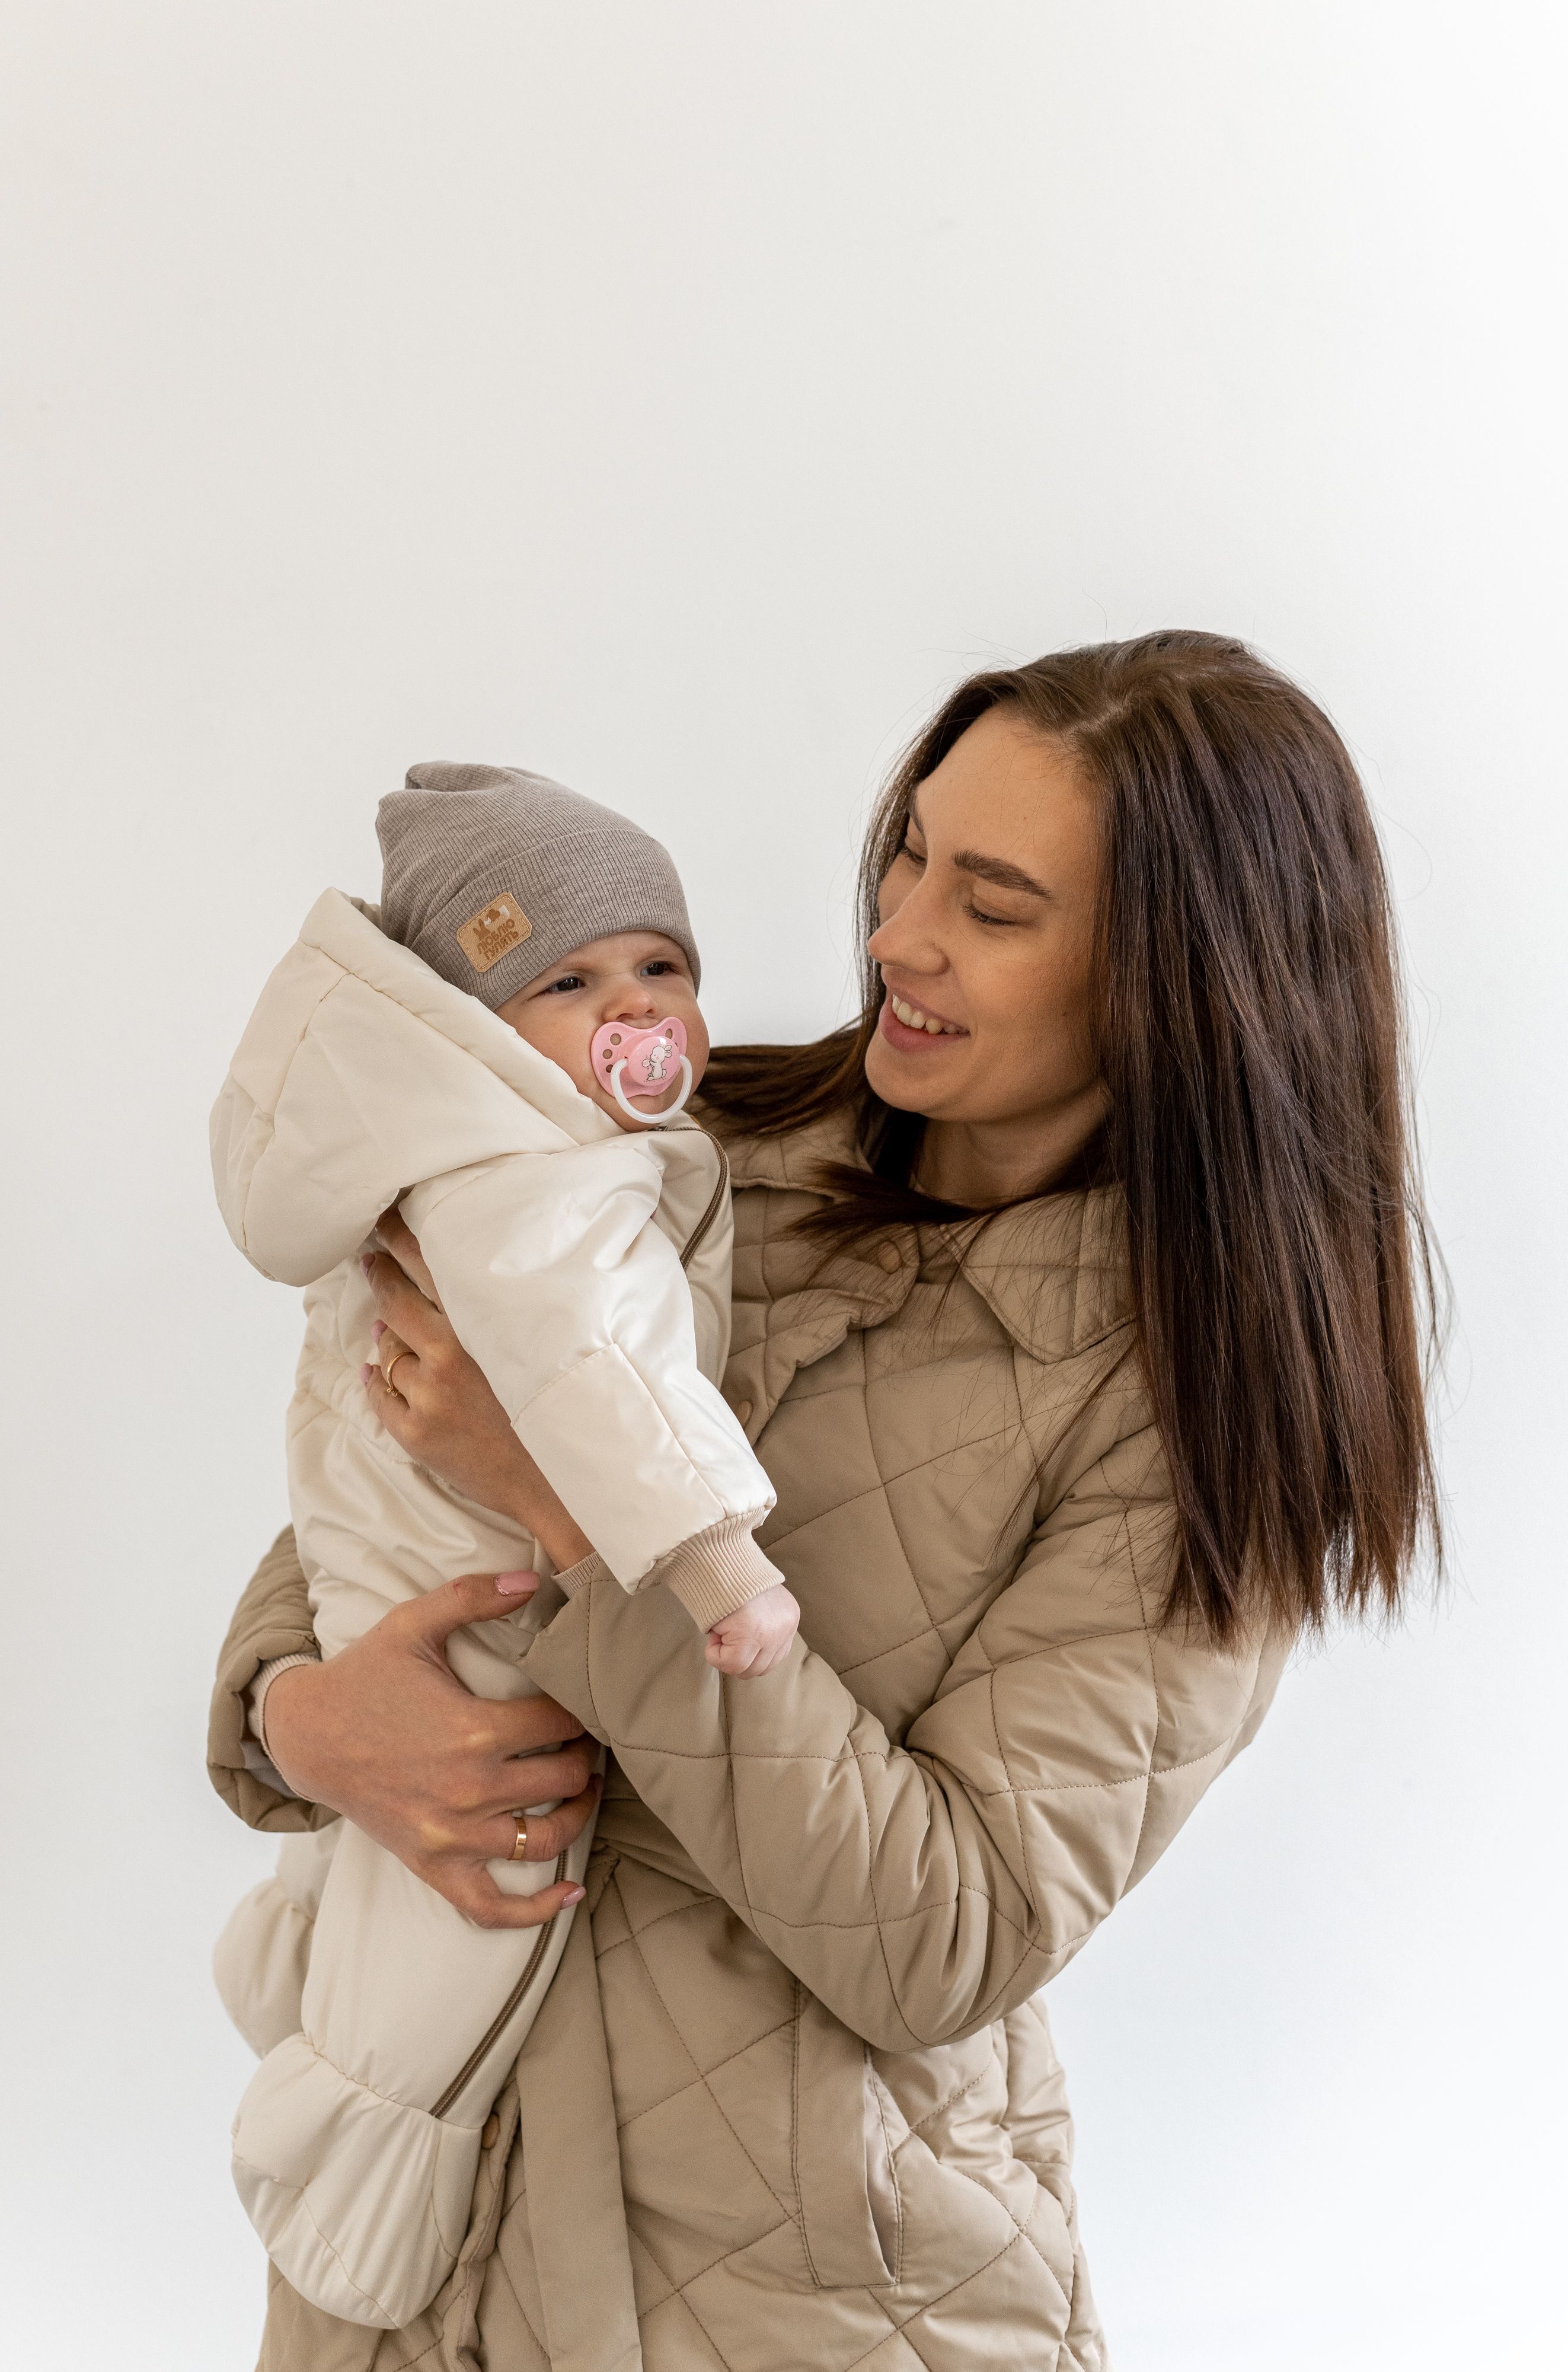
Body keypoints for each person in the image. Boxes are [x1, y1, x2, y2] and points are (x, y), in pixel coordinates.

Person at [206, 632, 1441, 2372]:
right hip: (415, 2252)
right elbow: (378, 1466)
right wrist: (296, 1714)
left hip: (810, 2301)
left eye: (992, 907)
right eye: (909, 855)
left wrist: (580, 1518)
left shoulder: (1197, 1424)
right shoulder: (680, 1141)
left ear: (1175, 980)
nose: (894, 936)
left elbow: (946, 1938)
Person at [210, 763, 799, 2329]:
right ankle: (348, 2152)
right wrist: (721, 1567)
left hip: (398, 1551)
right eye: (569, 982)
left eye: (661, 965)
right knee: (491, 1868)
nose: (638, 1008)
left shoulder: (481, 1147)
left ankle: (298, 1961)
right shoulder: (536, 1183)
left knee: (404, 1833)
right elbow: (607, 1384)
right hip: (474, 1577)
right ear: (470, 1026)